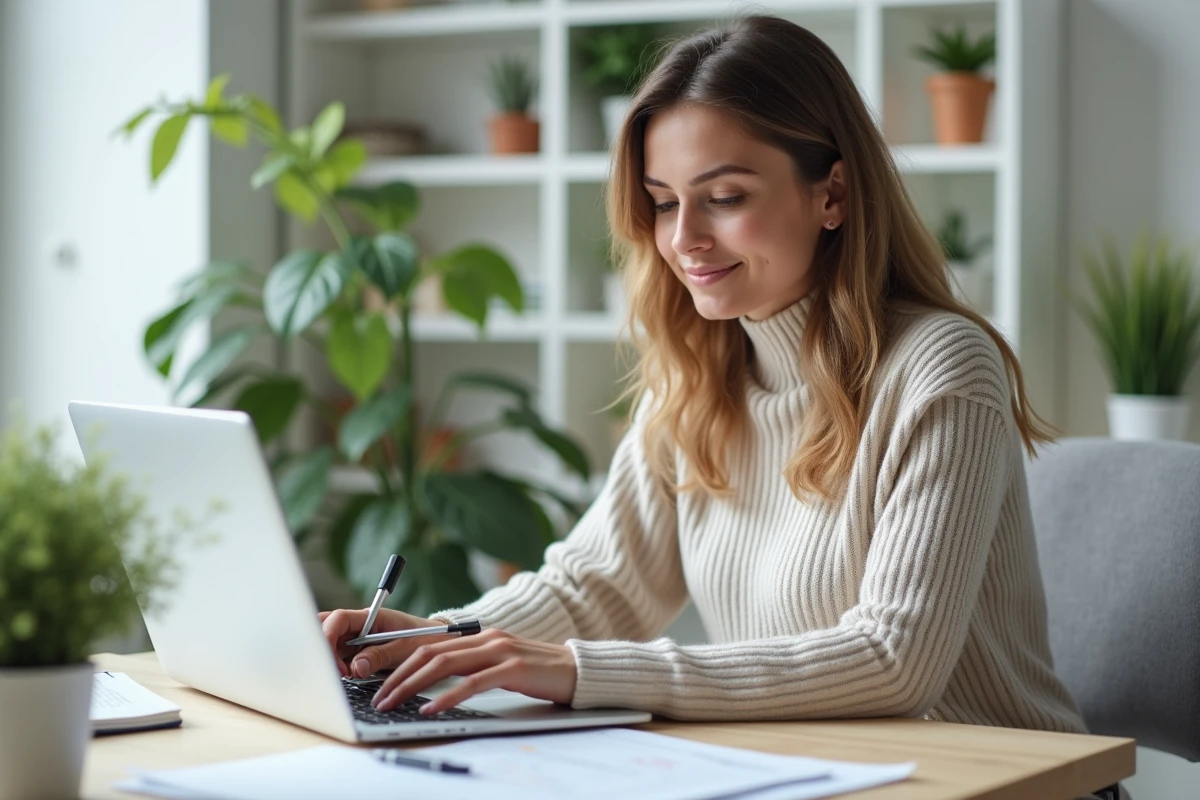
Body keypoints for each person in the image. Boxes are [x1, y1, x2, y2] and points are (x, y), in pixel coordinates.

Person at [321, 12, 1091, 749]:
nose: (683, 239)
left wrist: (580, 672)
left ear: (834, 194)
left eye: (724, 198)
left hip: (1000, 778)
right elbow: (596, 588)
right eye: (662, 203)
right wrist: (437, 637)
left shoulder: (939, 368)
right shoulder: (695, 381)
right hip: (823, 775)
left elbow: (894, 660)